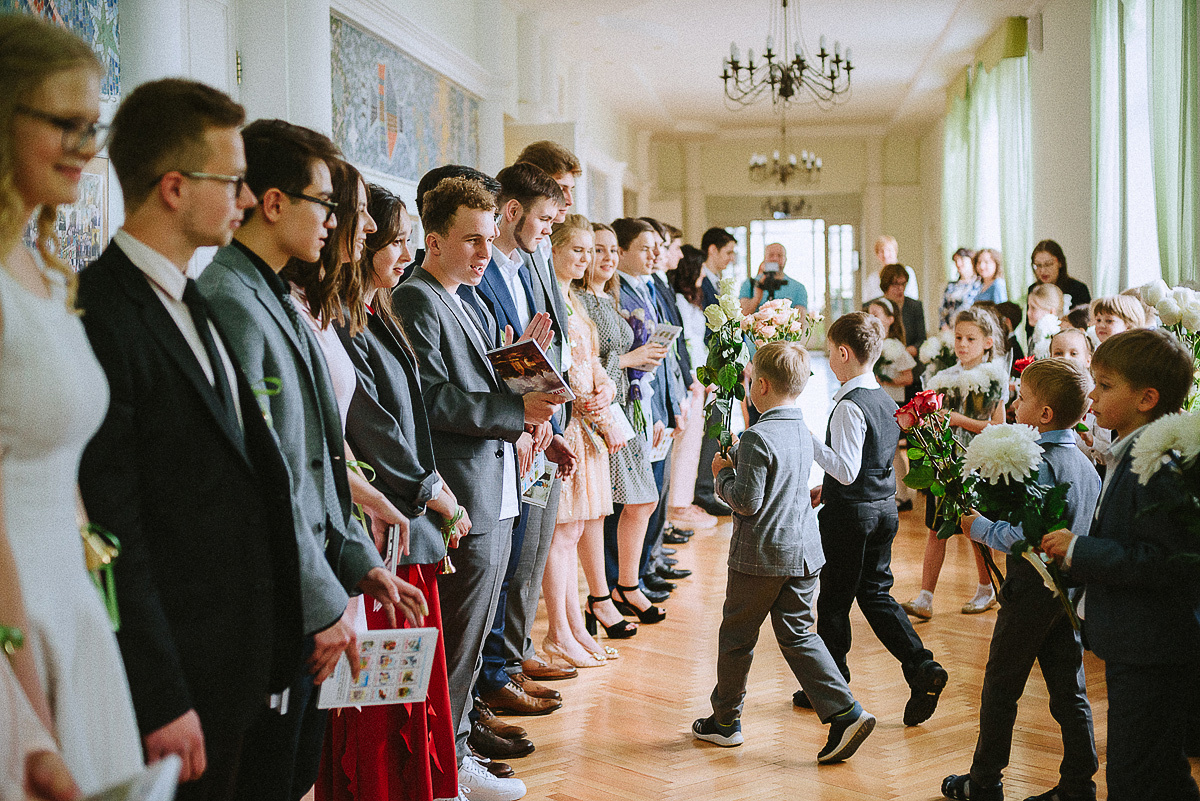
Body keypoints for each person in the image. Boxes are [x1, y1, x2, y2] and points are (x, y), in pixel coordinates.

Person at [77, 78, 308, 801]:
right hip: (177, 669)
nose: (245, 200)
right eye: (233, 181)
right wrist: (160, 691)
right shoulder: (101, 312)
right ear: (175, 187)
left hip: (238, 655)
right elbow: (118, 521)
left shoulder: (193, 296)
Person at [197, 119, 424, 801]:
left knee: (295, 769)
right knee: (270, 775)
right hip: (282, 595)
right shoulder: (232, 301)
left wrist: (361, 562)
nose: (335, 223)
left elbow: (322, 455)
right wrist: (325, 598)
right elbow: (271, 479)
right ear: (272, 203)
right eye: (324, 205)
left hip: (317, 577)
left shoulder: (273, 295)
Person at [0, 14, 143, 794]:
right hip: (14, 622)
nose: (87, 148)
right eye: (65, 123)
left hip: (74, 602)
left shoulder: (46, 270)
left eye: (95, 126)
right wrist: (27, 706)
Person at [394, 175, 562, 801]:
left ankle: (460, 749)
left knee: (478, 625)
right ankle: (448, 762)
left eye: (489, 240)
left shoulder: (468, 298)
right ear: (431, 240)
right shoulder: (417, 300)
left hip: (496, 480)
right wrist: (518, 415)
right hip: (461, 487)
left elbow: (484, 379)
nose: (484, 254)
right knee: (457, 638)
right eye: (470, 240)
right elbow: (431, 401)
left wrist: (526, 369)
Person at [316, 186, 467, 801]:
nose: (402, 251)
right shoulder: (345, 318)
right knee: (376, 697)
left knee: (409, 679)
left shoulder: (380, 310)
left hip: (406, 515)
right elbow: (371, 423)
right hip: (381, 521)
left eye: (403, 238)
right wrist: (431, 490)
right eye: (394, 240)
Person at [692, 342, 876, 763]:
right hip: (804, 553)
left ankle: (725, 722)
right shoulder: (801, 426)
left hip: (761, 558)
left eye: (749, 381)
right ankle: (846, 711)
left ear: (761, 386)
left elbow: (747, 500)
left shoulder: (757, 436)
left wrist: (722, 477)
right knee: (799, 635)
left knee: (737, 637)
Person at [1042, 329, 1199, 801]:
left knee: (1135, 777)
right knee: (1159, 772)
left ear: (1147, 398)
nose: (1091, 395)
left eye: (1105, 386)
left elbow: (1167, 562)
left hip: (1152, 645)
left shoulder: (1154, 463)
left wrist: (1080, 550)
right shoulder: (1129, 448)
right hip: (1137, 642)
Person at [943, 358, 1101, 801]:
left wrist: (977, 526)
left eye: (1023, 397)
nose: (1015, 402)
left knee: (1000, 688)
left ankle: (986, 782)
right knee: (1070, 690)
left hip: (1032, 592)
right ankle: (1078, 782)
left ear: (1045, 414)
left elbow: (1025, 535)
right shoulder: (1086, 465)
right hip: (1067, 594)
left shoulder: (1039, 465)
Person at [805, 313, 947, 726]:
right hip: (882, 510)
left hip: (850, 518)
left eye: (830, 352)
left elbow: (847, 469)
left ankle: (833, 689)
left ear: (843, 353)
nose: (830, 359)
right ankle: (922, 667)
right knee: (875, 595)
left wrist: (807, 438)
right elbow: (871, 463)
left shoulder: (850, 405)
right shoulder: (885, 398)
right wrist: (826, 489)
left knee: (833, 602)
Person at [473, 162, 577, 716]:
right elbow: (492, 362)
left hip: (535, 430)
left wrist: (548, 427)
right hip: (503, 436)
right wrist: (527, 419)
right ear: (512, 211)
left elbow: (540, 350)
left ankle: (510, 662)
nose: (547, 232)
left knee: (527, 555)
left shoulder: (528, 262)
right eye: (542, 218)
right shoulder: (486, 270)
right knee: (506, 563)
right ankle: (494, 674)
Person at [499, 146, 585, 687]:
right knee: (520, 549)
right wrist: (533, 418)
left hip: (544, 417)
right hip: (520, 421)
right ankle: (505, 660)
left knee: (535, 544)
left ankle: (516, 650)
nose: (566, 207)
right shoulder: (514, 256)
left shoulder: (530, 255)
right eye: (557, 196)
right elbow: (511, 346)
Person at [542, 214, 627, 668]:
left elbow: (589, 358)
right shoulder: (546, 296)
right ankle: (558, 631)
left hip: (587, 421)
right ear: (552, 248)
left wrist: (605, 388)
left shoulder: (573, 297)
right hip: (565, 423)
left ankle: (575, 627)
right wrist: (581, 395)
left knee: (574, 530)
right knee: (560, 532)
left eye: (590, 250)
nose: (588, 258)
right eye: (577, 249)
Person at [577, 223, 667, 626]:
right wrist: (629, 361)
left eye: (613, 250)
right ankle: (607, 592)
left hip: (624, 408)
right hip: (599, 411)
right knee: (610, 507)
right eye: (599, 250)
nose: (608, 258)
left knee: (644, 498)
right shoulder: (578, 300)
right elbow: (583, 363)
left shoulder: (607, 298)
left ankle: (626, 585)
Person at [902, 307, 1007, 619]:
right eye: (958, 337)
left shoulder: (995, 379)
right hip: (946, 463)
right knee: (936, 530)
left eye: (970, 338)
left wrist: (961, 420)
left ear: (988, 342)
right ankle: (925, 596)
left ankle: (986, 588)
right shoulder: (944, 377)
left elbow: (999, 427)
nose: (962, 344)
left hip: (977, 464)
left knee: (974, 527)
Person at [668, 245, 716, 529]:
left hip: (700, 373)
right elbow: (683, 343)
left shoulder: (690, 299)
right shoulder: (678, 300)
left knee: (693, 442)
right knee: (684, 444)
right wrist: (695, 378)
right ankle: (678, 505)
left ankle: (684, 500)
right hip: (690, 378)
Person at [693, 227, 738, 517]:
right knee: (711, 429)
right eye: (728, 252)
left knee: (718, 428)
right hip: (709, 366)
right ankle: (702, 490)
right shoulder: (701, 285)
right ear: (712, 250)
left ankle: (708, 488)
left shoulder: (717, 283)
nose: (732, 259)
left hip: (722, 365)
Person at [738, 242, 808, 316]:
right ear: (764, 258)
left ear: (785, 259)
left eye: (779, 256)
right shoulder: (750, 284)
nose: (775, 259)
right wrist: (757, 297)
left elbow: (801, 321)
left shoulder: (798, 288)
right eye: (771, 255)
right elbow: (742, 315)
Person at [1028, 239, 1090, 311]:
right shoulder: (1033, 289)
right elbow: (1030, 321)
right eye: (1038, 265)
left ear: (1060, 263)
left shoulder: (1078, 289)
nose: (1042, 270)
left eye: (1048, 264)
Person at [864, 235, 918, 302]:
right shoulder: (872, 278)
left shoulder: (907, 271)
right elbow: (868, 302)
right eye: (881, 251)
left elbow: (912, 298)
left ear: (895, 251)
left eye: (889, 250)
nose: (885, 255)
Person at [939, 248, 980, 330]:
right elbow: (943, 309)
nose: (958, 263)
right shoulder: (951, 286)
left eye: (962, 259)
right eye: (956, 260)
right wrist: (944, 326)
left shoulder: (978, 285)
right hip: (950, 330)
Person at [1027, 283, 1065, 358]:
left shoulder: (1057, 341)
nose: (1028, 312)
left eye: (1033, 308)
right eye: (1028, 307)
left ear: (1051, 312)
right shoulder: (1033, 338)